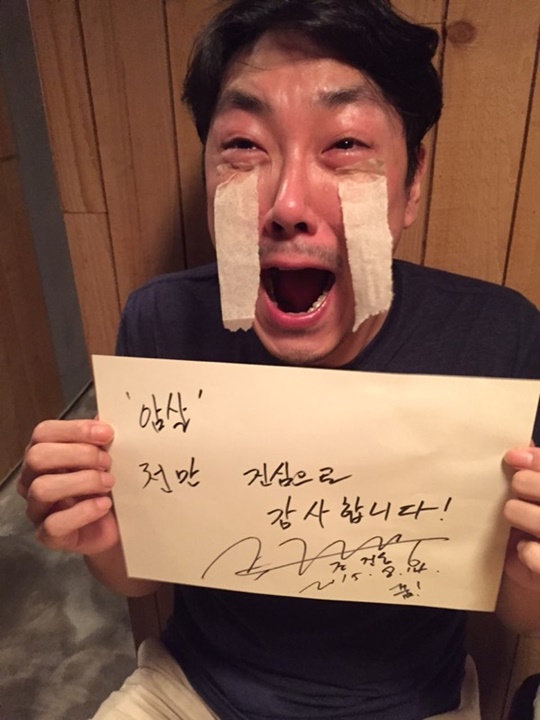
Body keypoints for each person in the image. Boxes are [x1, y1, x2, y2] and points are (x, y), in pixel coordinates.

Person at [18, 1, 540, 718]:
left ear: (411, 183)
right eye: (243, 145)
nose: (287, 203)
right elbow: (135, 581)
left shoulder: (496, 335)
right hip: (191, 687)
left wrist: (530, 571)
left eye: (346, 144)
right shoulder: (162, 322)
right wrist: (97, 535)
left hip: (412, 703)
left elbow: (520, 615)